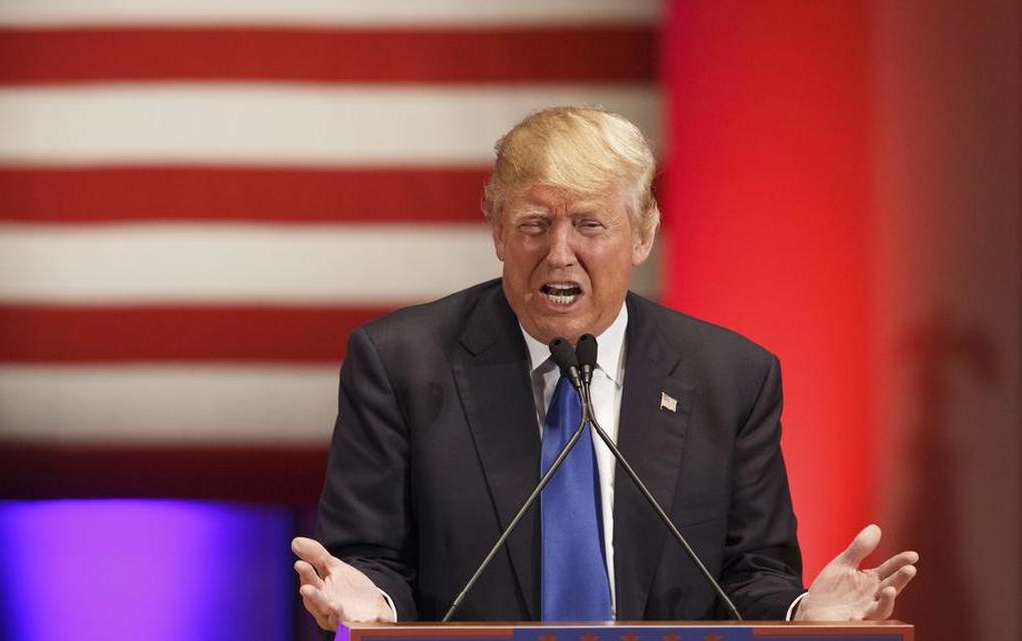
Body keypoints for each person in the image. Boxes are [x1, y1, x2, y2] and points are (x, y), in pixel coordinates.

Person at [292, 107, 918, 630]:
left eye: (590, 225)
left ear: (643, 235)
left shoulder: (731, 377)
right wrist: (371, 604)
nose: (559, 254)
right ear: (498, 235)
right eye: (534, 225)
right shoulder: (402, 362)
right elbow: (370, 562)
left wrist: (803, 614)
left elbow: (751, 575)